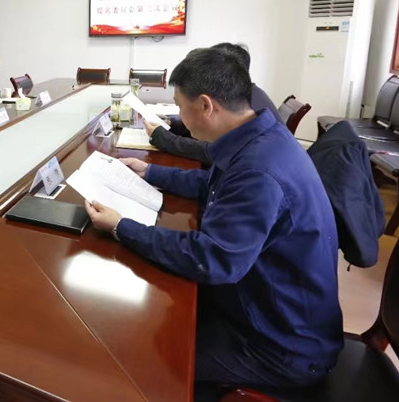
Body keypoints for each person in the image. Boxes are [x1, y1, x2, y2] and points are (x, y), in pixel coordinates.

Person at [86, 48, 342, 399]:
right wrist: (150, 172)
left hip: (280, 345)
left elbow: (212, 259)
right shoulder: (259, 136)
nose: (179, 116)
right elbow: (213, 184)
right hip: (266, 309)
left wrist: (121, 226)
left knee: (141, 357)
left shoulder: (259, 170)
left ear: (206, 105)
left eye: (180, 106)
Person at [144, 42, 281, 163]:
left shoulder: (253, 164)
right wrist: (174, 124)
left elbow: (210, 151)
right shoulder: (242, 101)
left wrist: (164, 139)